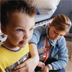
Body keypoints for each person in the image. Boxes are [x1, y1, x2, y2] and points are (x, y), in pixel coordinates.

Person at [0, 0, 39, 72]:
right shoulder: (1, 59)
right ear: (3, 29)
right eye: (20, 30)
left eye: (31, 29)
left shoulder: (25, 44)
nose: (27, 36)